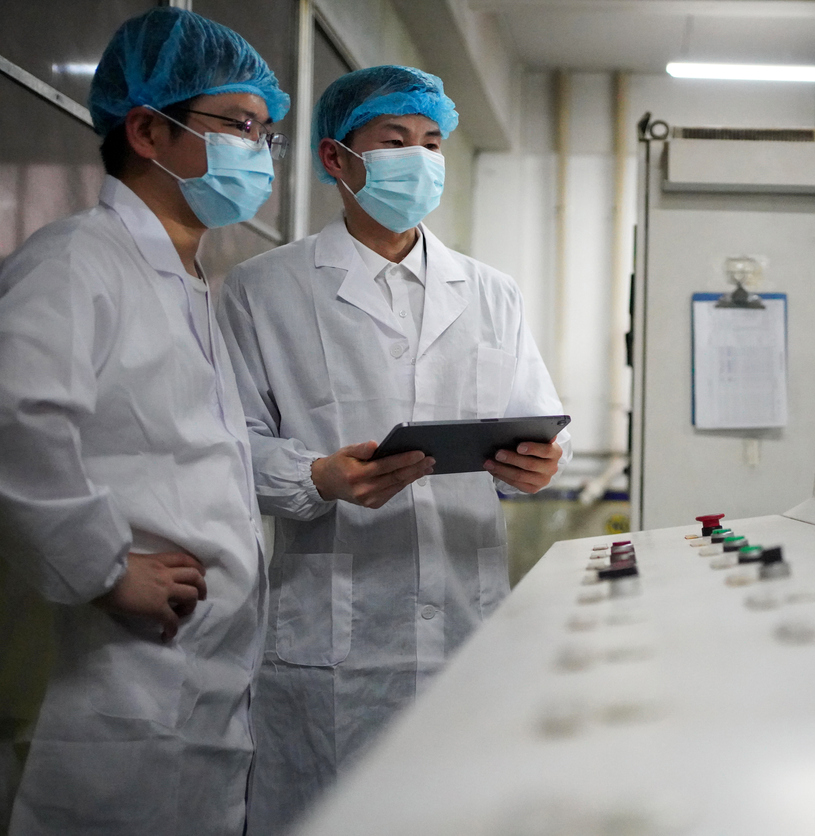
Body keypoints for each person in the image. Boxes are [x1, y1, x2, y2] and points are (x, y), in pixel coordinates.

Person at [217, 65, 571, 831]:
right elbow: (226, 448)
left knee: (461, 810)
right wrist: (317, 476)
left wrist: (537, 465)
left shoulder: (489, 292)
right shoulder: (263, 289)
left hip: (464, 617)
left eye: (431, 142)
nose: (419, 159)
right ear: (336, 159)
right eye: (395, 141)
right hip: (332, 637)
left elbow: (534, 421)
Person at [0, 8, 292, 835]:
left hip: (194, 684)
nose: (257, 152)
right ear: (148, 130)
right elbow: (14, 418)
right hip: (110, 691)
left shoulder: (186, 283)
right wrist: (104, 569)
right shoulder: (76, 262)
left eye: (265, 133)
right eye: (238, 125)